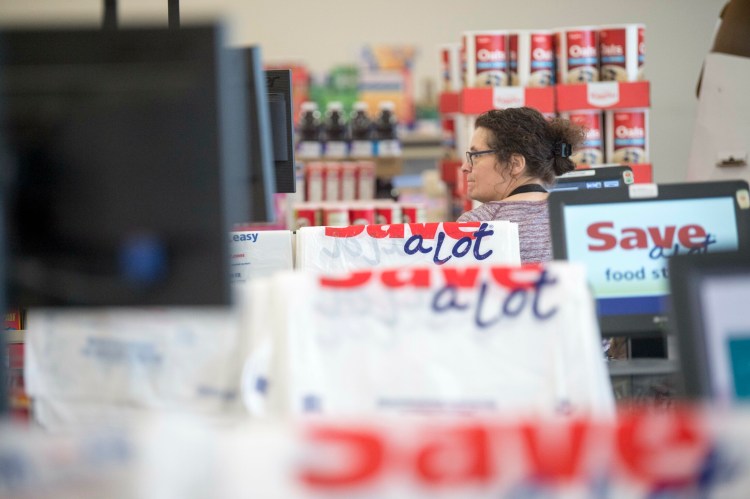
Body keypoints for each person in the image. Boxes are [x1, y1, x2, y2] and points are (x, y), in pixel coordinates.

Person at [457, 107, 584, 263]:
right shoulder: (576, 217)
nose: (465, 167)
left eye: (475, 156)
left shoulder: (475, 225)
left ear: (514, 164)